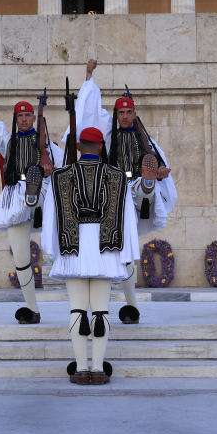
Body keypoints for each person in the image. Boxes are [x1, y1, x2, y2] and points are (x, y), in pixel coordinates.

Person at [64, 63, 177, 324]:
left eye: (128, 112)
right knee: (125, 253)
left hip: (135, 196)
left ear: (135, 113)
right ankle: (130, 307)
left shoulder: (145, 141)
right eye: (121, 112)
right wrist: (88, 78)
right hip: (113, 197)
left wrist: (160, 172)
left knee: (142, 187)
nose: (124, 116)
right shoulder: (108, 137)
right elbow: (89, 116)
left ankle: (147, 187)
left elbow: (163, 165)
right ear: (116, 114)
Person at [0, 68, 64, 324]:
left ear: (33, 118)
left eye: (29, 115)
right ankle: (33, 310)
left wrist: (49, 166)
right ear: (16, 118)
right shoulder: (7, 140)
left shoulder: (48, 145)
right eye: (21, 115)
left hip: (43, 196)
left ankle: (36, 194)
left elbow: (65, 169)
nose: (25, 119)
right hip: (15, 199)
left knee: (42, 194)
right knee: (20, 258)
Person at [42, 127, 139, 385]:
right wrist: (127, 252)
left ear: (77, 147)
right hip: (105, 248)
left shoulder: (60, 176)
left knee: (77, 308)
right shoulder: (118, 176)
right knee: (101, 311)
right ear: (99, 147)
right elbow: (128, 219)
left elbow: (50, 216)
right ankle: (98, 369)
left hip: (72, 246)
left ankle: (81, 369)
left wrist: (52, 249)